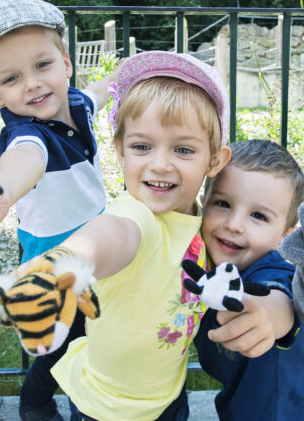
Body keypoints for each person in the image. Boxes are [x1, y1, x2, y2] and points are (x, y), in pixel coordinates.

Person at [37, 50, 232, 420]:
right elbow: (109, 236)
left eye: (183, 149)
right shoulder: (134, 216)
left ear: (214, 160)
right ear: (121, 153)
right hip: (107, 409)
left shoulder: (199, 220)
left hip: (168, 396)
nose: (160, 163)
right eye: (142, 146)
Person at [0, 0, 113, 421]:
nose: (34, 83)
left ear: (65, 63)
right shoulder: (28, 134)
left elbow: (98, 93)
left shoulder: (76, 104)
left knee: (90, 336)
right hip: (52, 261)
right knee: (68, 341)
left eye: (42, 66)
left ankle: (47, 402)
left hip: (97, 246)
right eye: (13, 78)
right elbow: (23, 161)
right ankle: (46, 406)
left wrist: (124, 80)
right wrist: (0, 189)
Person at [195, 139, 304, 420]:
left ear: (285, 236)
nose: (234, 224)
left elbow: (278, 301)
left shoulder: (272, 273)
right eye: (222, 204)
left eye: (258, 215)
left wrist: (263, 315)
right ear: (203, 205)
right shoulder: (201, 266)